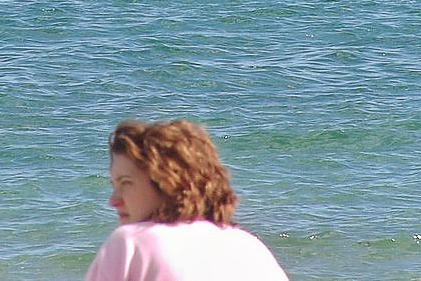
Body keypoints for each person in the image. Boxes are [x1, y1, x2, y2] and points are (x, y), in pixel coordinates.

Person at [84, 119, 289, 281]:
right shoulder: (249, 246)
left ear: (166, 182)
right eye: (114, 185)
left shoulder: (131, 242)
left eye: (126, 183)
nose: (114, 200)